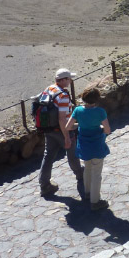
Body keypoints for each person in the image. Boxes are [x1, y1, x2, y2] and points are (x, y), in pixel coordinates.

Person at [38, 68, 86, 199]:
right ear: (63, 80)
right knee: (72, 154)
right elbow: (62, 118)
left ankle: (44, 184)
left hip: (48, 129)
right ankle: (80, 174)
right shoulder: (63, 96)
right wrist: (67, 137)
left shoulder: (49, 89)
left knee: (48, 156)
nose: (70, 81)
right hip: (63, 130)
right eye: (69, 79)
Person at [63, 86, 111, 211]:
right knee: (96, 174)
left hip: (84, 146)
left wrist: (82, 124)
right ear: (96, 99)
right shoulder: (100, 112)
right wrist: (98, 126)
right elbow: (107, 130)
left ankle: (87, 193)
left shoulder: (78, 110)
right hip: (97, 146)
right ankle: (95, 201)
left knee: (87, 168)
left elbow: (69, 126)